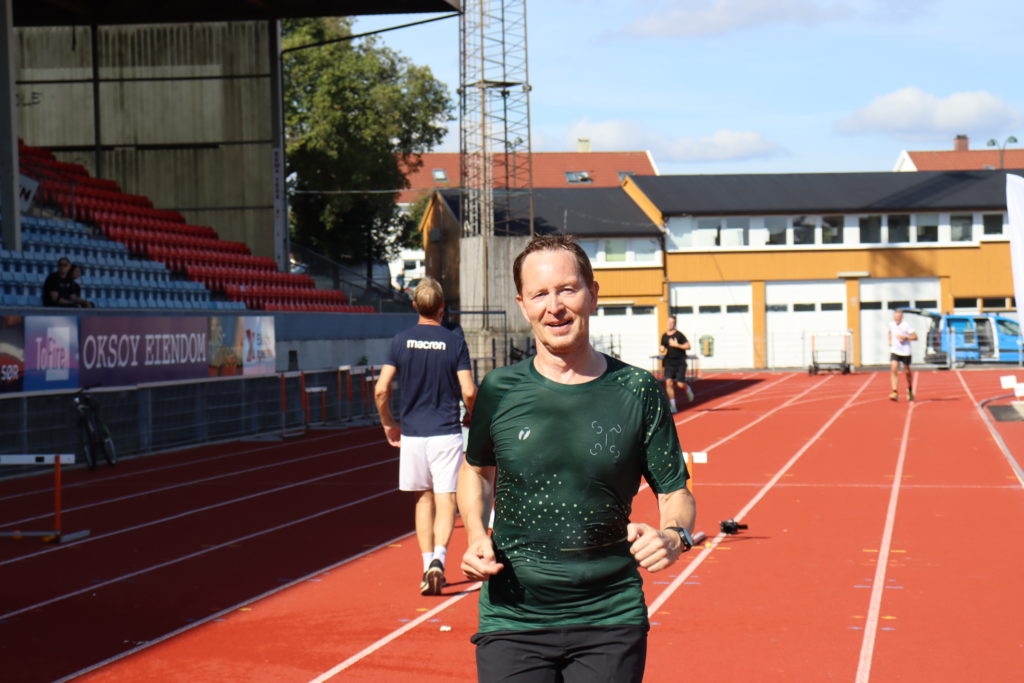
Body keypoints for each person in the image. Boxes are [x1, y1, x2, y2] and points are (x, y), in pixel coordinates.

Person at [458, 234, 696, 683]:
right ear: (522, 304)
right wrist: (474, 534)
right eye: (540, 294)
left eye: (567, 289)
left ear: (593, 294)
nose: (555, 306)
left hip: (610, 617)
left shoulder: (637, 390)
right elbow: (476, 472)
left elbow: (675, 491)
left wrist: (673, 535)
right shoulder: (498, 390)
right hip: (513, 618)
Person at [374, 276, 478, 596]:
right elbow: (470, 390)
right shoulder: (454, 341)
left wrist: (388, 422)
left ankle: (424, 566)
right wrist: (471, 414)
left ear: (415, 305)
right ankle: (439, 560)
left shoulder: (400, 341)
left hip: (414, 433)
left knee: (423, 499)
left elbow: (381, 389)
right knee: (447, 499)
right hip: (446, 431)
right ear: (443, 308)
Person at [660, 315, 694, 410]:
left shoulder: (679, 335)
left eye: (672, 322)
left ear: (675, 324)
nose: (670, 324)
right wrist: (661, 348)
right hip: (669, 362)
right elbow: (662, 347)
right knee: (668, 382)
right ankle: (673, 405)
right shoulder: (664, 336)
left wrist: (677, 345)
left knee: (680, 384)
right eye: (669, 322)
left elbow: (688, 346)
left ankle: (687, 389)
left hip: (680, 362)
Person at [888, 308, 917, 401]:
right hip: (895, 350)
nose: (896, 319)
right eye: (895, 317)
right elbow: (889, 331)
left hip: (905, 351)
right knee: (893, 368)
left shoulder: (906, 325)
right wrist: (889, 340)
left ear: (901, 317)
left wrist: (905, 337)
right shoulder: (891, 324)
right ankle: (894, 392)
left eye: (898, 317)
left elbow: (915, 337)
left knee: (907, 372)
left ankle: (910, 389)